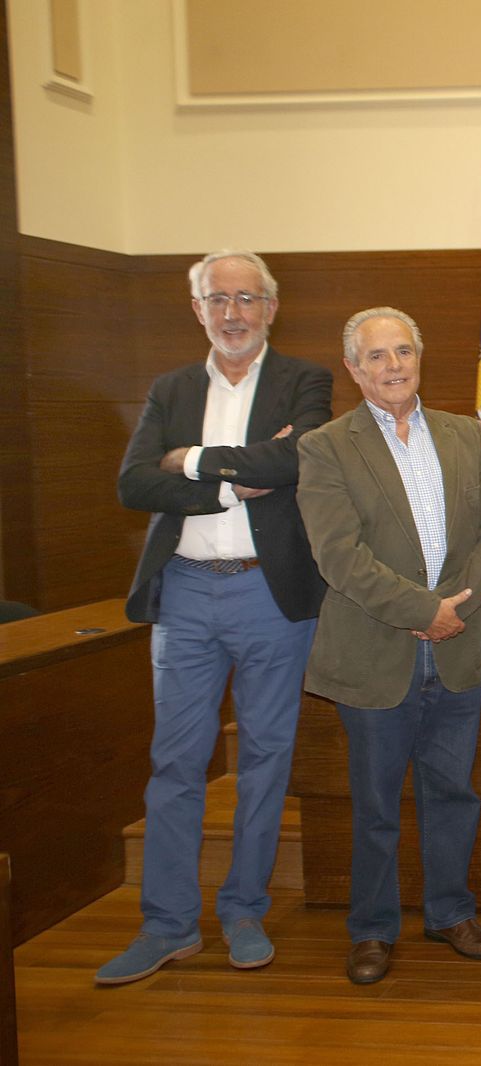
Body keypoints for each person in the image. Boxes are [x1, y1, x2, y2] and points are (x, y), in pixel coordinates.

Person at [101, 250, 331, 986]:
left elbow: (294, 463)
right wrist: (231, 487)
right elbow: (134, 484)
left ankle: (243, 911)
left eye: (247, 298)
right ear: (197, 309)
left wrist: (191, 460)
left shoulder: (305, 381)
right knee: (176, 761)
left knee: (266, 757)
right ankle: (167, 924)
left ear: (271, 307)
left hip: (270, 594)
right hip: (185, 593)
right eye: (218, 298)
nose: (233, 313)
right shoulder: (170, 388)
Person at [297, 307, 481, 986]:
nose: (393, 366)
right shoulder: (326, 447)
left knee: (453, 792)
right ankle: (372, 928)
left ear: (420, 358)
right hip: (374, 651)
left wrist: (456, 609)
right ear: (353, 369)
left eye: (403, 352)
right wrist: (423, 611)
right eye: (376, 356)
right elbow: (339, 556)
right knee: (376, 804)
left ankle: (451, 913)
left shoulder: (464, 433)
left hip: (457, 647)